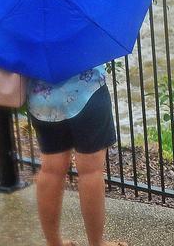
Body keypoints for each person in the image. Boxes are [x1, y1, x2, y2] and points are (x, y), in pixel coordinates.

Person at [28, 64, 126, 246]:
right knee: (91, 172)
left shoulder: (27, 32)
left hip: (43, 99)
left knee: (50, 170)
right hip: (87, 91)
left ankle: (53, 242)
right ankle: (96, 243)